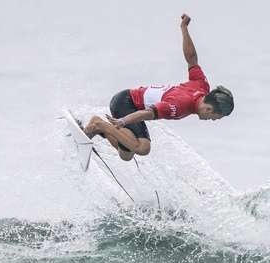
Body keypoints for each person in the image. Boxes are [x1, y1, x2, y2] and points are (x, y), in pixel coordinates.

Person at [83, 13, 234, 161]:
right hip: (126, 102)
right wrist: (123, 121)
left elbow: (192, 59)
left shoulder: (201, 86)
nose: (212, 120)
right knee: (143, 147)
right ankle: (98, 124)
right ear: (209, 109)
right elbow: (148, 113)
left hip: (132, 105)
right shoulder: (179, 106)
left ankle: (99, 127)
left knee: (126, 154)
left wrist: (184, 28)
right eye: (216, 118)